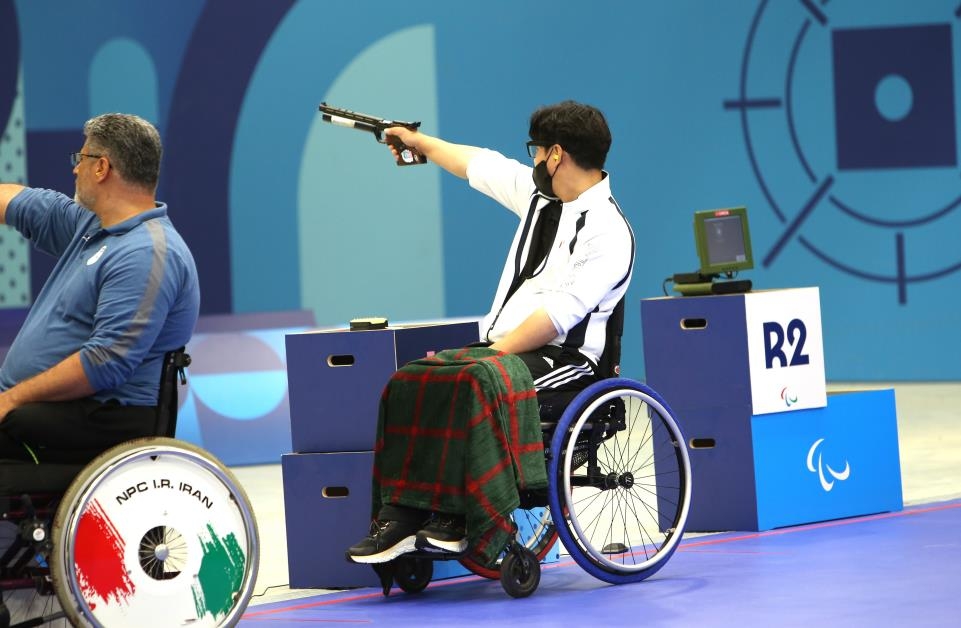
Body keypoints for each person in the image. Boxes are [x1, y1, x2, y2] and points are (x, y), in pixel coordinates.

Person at [347, 100, 635, 564]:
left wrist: (494, 353)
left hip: (567, 361)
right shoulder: (539, 197)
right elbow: (477, 163)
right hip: (505, 351)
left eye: (536, 150)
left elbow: (558, 317)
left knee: (475, 382)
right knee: (413, 378)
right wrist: (418, 141)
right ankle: (400, 515)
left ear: (556, 155)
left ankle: (464, 520)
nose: (532, 159)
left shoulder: (609, 231)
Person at [0, 113, 199, 476]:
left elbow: (105, 361)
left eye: (81, 158)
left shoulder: (147, 252)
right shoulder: (92, 225)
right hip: (47, 409)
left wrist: (11, 398)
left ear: (101, 167)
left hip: (101, 417)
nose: (75, 169)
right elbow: (21, 202)